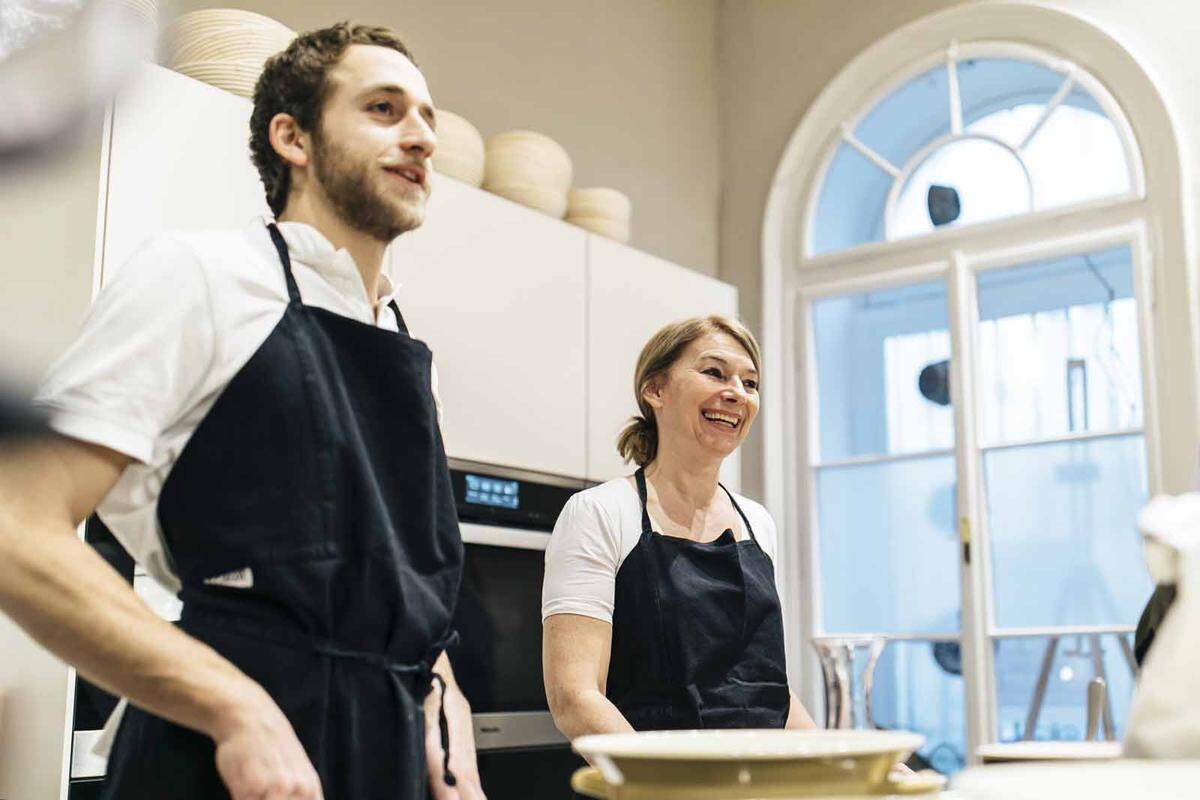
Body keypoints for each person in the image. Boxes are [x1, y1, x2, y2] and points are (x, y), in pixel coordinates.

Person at [0, 22, 486, 800]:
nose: (422, 138)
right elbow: (16, 525)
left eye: (427, 117)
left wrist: (446, 719)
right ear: (292, 138)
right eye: (385, 109)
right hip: (229, 756)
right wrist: (236, 709)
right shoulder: (199, 277)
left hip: (390, 758)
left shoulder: (398, 334)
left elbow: (404, 596)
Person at [542, 315, 816, 736]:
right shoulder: (599, 513)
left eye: (750, 383)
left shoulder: (757, 523)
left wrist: (849, 766)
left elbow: (768, 693)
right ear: (655, 390)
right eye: (714, 373)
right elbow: (575, 699)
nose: (737, 394)